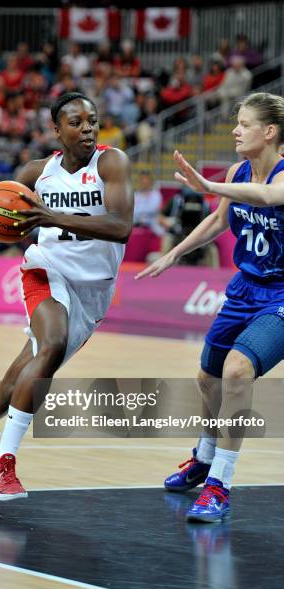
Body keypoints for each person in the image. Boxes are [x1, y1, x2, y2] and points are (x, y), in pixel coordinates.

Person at [0, 92, 134, 501]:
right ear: (57, 130)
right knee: (50, 345)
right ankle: (2, 464)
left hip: (93, 292)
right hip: (46, 271)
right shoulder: (36, 172)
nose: (87, 127)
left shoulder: (111, 163)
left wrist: (51, 217)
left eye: (92, 120)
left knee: (15, 382)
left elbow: (121, 226)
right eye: (76, 121)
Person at [136, 92, 284, 522]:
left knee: (239, 370)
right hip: (245, 288)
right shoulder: (239, 170)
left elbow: (268, 197)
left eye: (244, 124)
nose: (236, 130)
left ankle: (220, 483)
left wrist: (207, 185)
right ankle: (204, 455)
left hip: (280, 295)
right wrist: (174, 253)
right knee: (208, 377)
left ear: (269, 132)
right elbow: (220, 220)